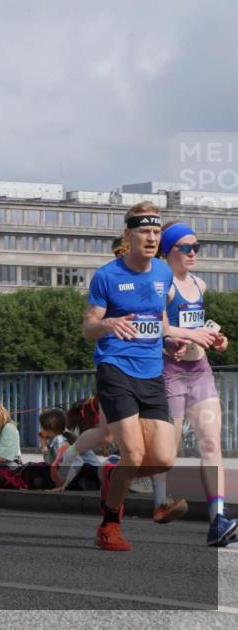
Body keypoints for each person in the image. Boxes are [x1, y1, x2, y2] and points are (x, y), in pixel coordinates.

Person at [82, 202, 216, 550]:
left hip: (152, 372)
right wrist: (108, 323)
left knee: (164, 459)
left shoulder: (162, 273)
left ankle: (115, 475)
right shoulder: (107, 276)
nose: (152, 238)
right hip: (116, 368)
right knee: (134, 454)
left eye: (156, 231)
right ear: (128, 234)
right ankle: (109, 525)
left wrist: (170, 340)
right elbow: (88, 328)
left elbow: (160, 322)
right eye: (144, 231)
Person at [156, 220, 236, 546]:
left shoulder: (199, 285)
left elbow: (199, 327)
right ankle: (156, 498)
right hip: (170, 373)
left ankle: (217, 519)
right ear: (168, 251)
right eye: (185, 247)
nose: (192, 253)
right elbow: (158, 328)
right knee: (166, 452)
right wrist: (168, 343)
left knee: (211, 444)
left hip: (200, 370)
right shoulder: (163, 286)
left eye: (196, 247)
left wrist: (217, 339)